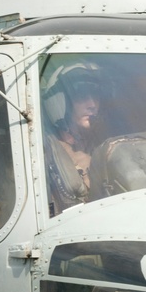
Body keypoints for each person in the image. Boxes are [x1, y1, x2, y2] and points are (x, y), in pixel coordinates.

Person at [44, 69, 102, 214]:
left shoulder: (105, 138)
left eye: (96, 96)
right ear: (61, 102)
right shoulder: (49, 150)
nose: (92, 104)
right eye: (81, 97)